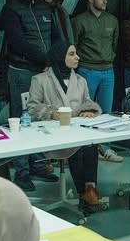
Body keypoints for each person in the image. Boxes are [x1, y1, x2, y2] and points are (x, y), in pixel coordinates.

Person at [0, 0, 61, 189]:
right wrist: (46, 59)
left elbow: (55, 36)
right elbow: (18, 42)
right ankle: (22, 172)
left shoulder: (44, 6)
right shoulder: (11, 9)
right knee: (21, 120)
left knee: (41, 117)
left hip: (45, 71)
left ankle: (38, 165)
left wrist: (55, 58)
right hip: (22, 71)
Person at [28, 41, 105, 214]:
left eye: (76, 53)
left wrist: (88, 110)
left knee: (91, 145)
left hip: (78, 130)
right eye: (71, 54)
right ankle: (85, 193)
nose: (77, 57)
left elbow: (87, 101)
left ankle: (89, 190)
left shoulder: (80, 80)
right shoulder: (40, 80)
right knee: (78, 147)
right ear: (59, 57)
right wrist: (51, 114)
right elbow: (32, 108)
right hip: (53, 135)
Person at [72, 0, 122, 163]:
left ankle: (105, 148)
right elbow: (74, 45)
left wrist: (108, 59)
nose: (105, 1)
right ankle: (80, 150)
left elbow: (115, 44)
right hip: (86, 69)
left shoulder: (112, 20)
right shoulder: (79, 20)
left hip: (108, 70)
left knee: (106, 112)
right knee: (83, 111)